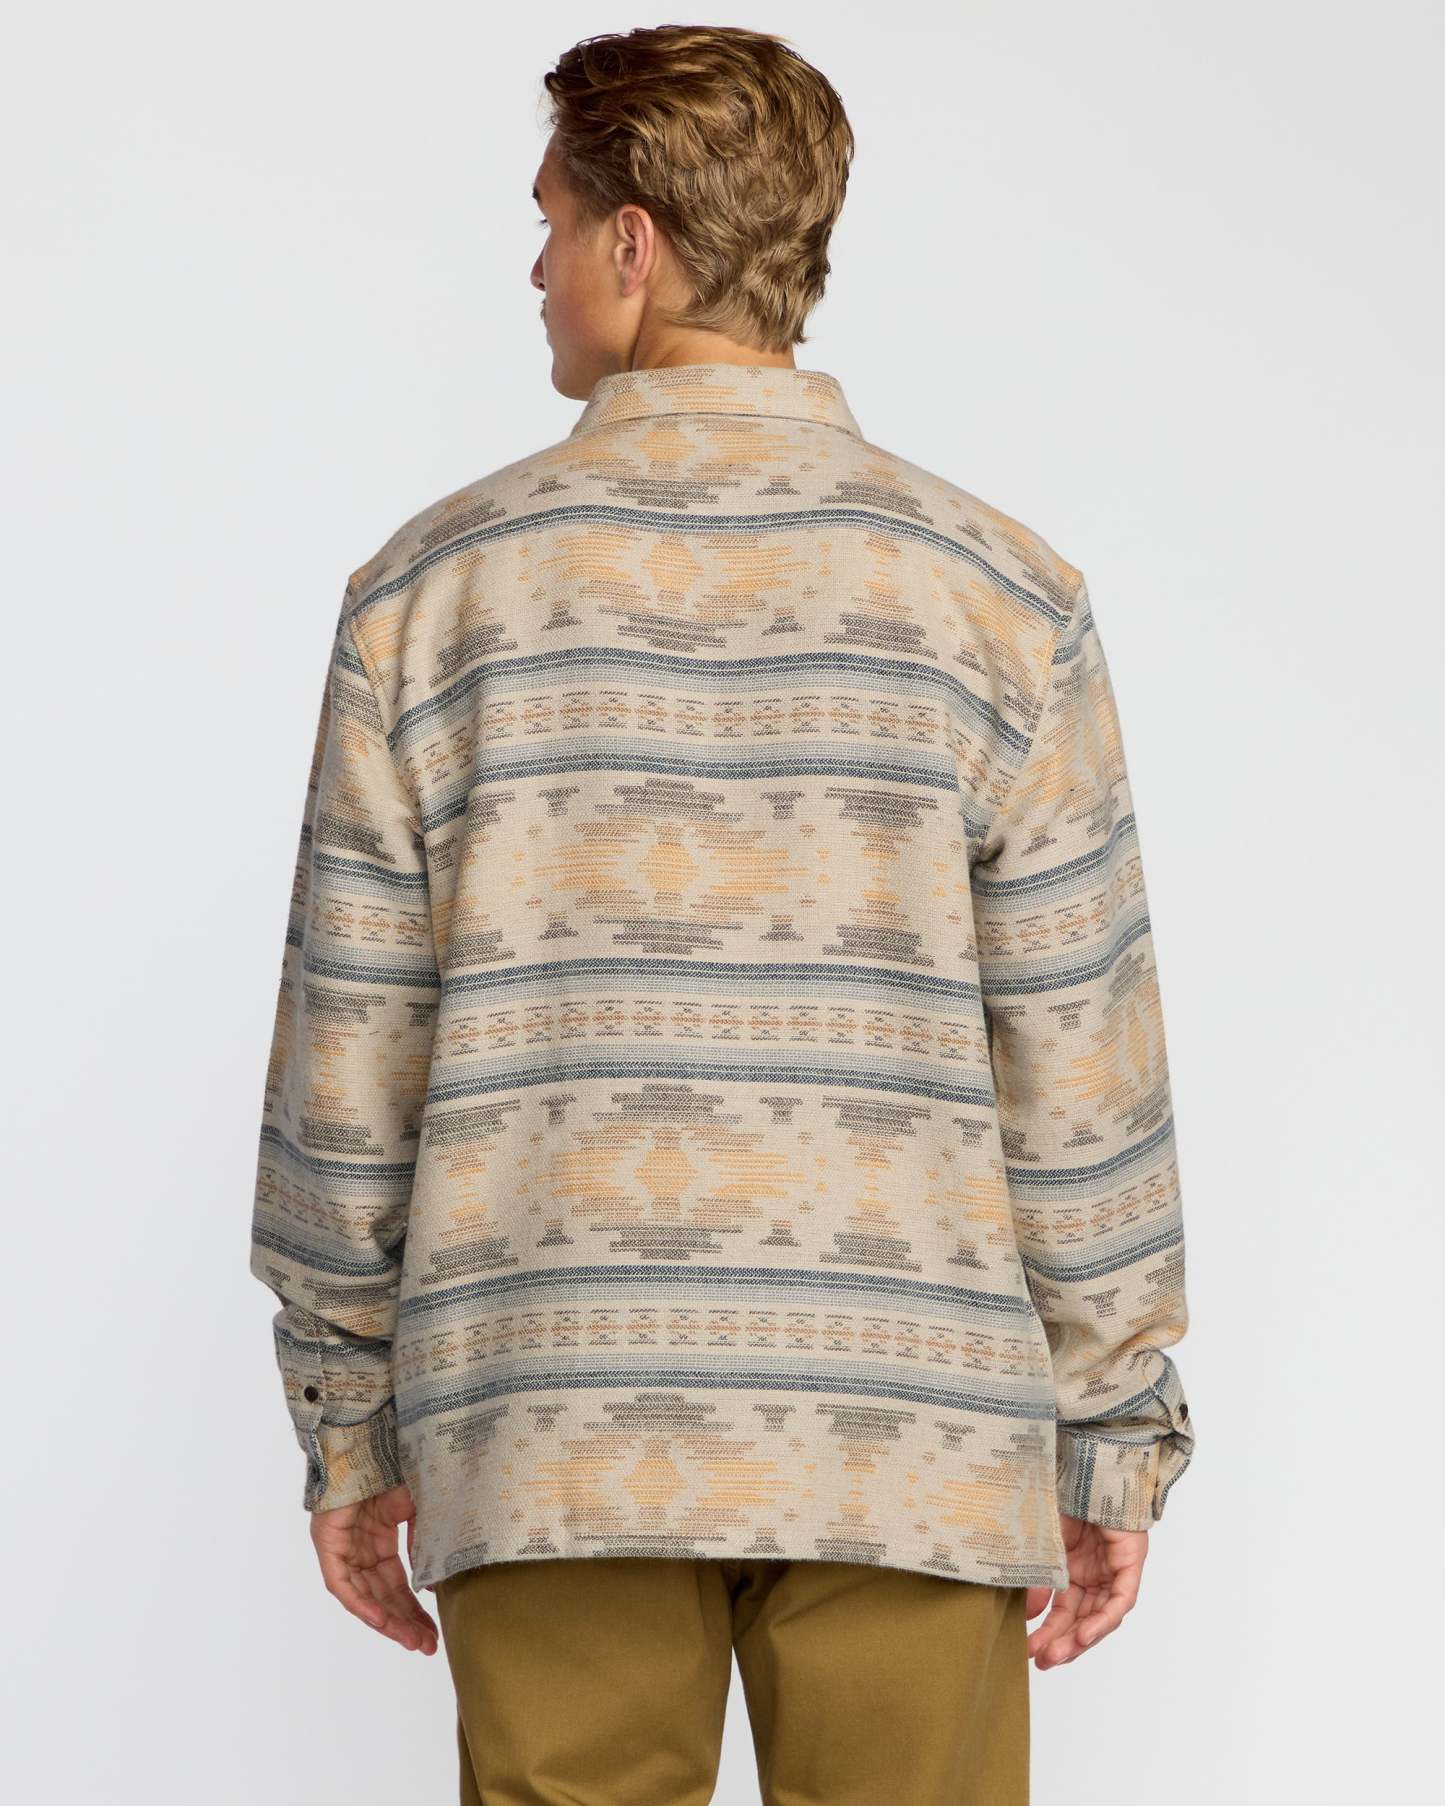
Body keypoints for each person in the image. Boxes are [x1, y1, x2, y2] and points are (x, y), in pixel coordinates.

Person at [248, 23, 1195, 1805]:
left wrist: (346, 1423)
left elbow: (345, 1071)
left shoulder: (431, 596)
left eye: (549, 221)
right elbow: (1081, 1057)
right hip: (908, 1430)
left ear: (634, 244)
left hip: (553, 1414)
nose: (533, 267)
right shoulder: (996, 595)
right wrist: (1109, 1431)